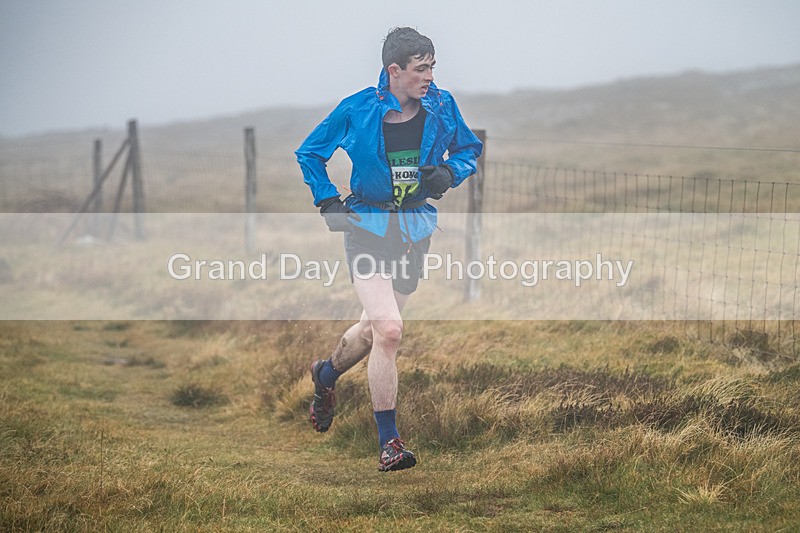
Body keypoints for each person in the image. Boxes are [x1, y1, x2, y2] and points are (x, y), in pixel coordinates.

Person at [295, 26, 483, 472]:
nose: (430, 76)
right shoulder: (358, 108)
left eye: (433, 66)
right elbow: (310, 152)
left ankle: (325, 376)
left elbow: (469, 150)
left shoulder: (441, 104)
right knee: (391, 329)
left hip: (414, 228)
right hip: (367, 225)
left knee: (372, 331)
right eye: (421, 69)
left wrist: (448, 174)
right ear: (393, 70)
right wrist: (327, 202)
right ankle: (389, 443)